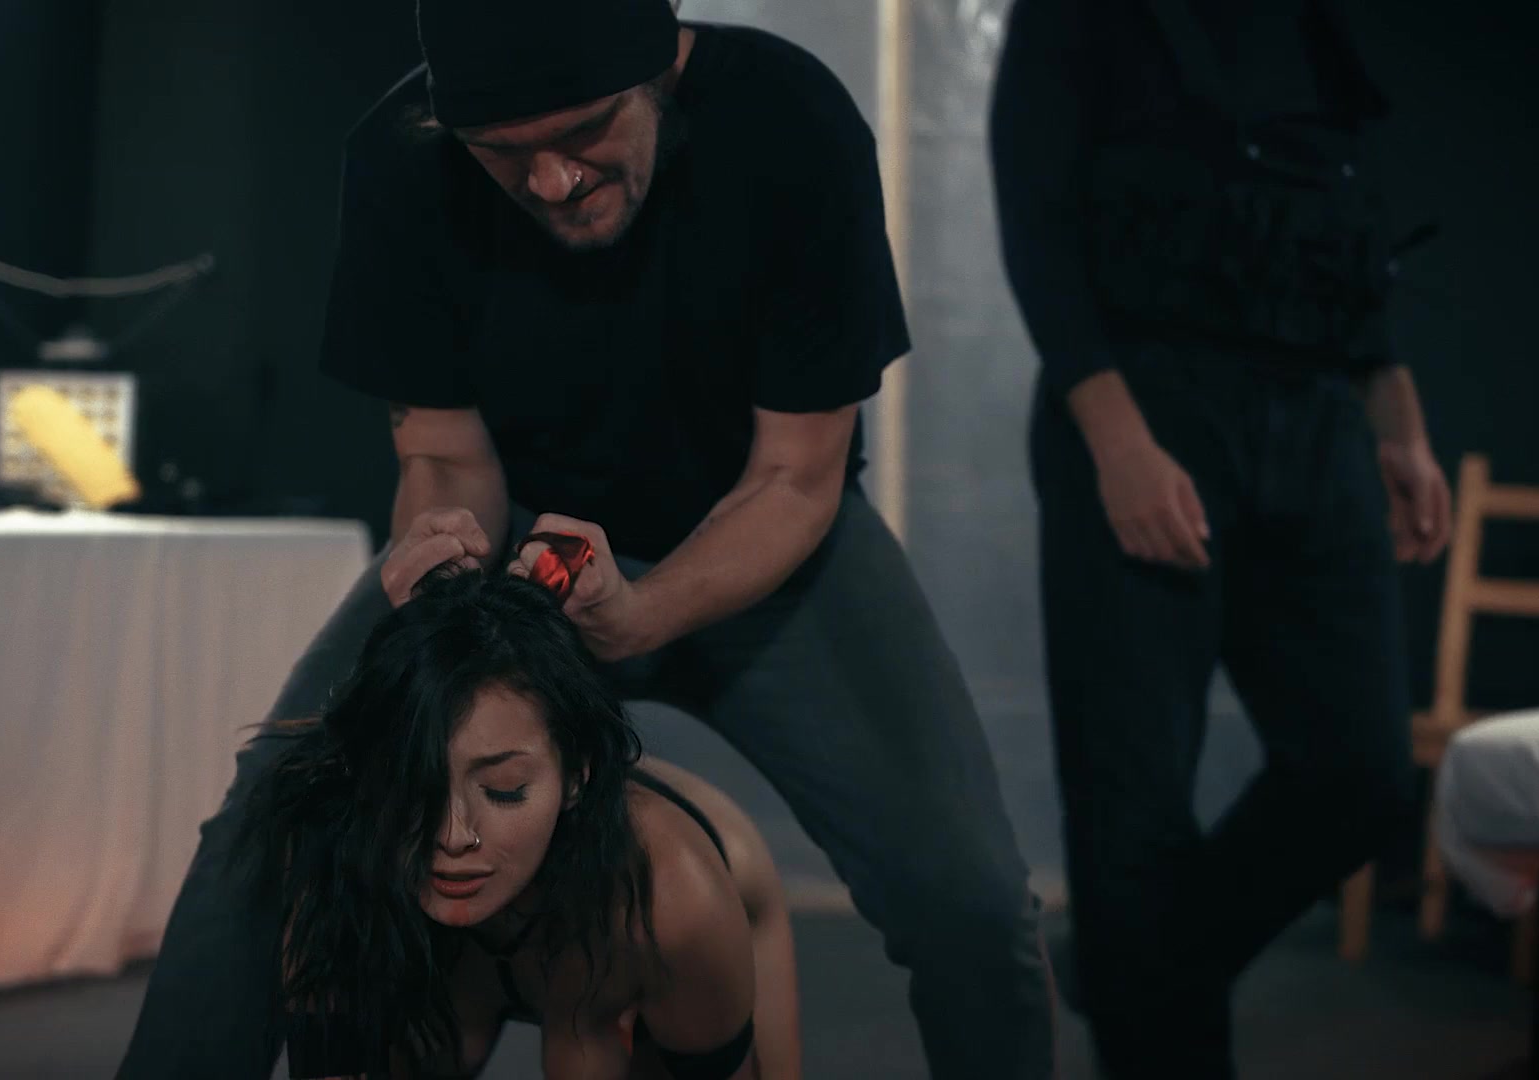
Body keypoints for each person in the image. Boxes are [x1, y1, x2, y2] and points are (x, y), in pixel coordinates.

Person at [117, 1, 1055, 1077]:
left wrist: (642, 612)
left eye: (584, 134)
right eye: (503, 154)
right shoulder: (403, 156)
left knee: (972, 901)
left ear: (659, 68)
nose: (553, 181)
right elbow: (444, 453)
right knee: (269, 824)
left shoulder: (789, 121)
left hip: (772, 539)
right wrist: (442, 576)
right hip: (529, 554)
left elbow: (796, 476)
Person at [989, 0, 1452, 1076]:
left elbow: (1347, 217)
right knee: (1133, 805)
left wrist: (1398, 417)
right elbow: (1037, 221)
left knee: (1363, 774)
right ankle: (1144, 994)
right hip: (1146, 402)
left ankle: (1125, 967)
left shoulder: (1312, 21)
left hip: (1317, 412)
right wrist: (1118, 443)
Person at [234, 566, 799, 1079]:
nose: (452, 836)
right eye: (416, 787)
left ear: (575, 777)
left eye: (505, 789)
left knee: (591, 1041)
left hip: (635, 915)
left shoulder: (674, 898)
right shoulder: (338, 847)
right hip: (466, 950)